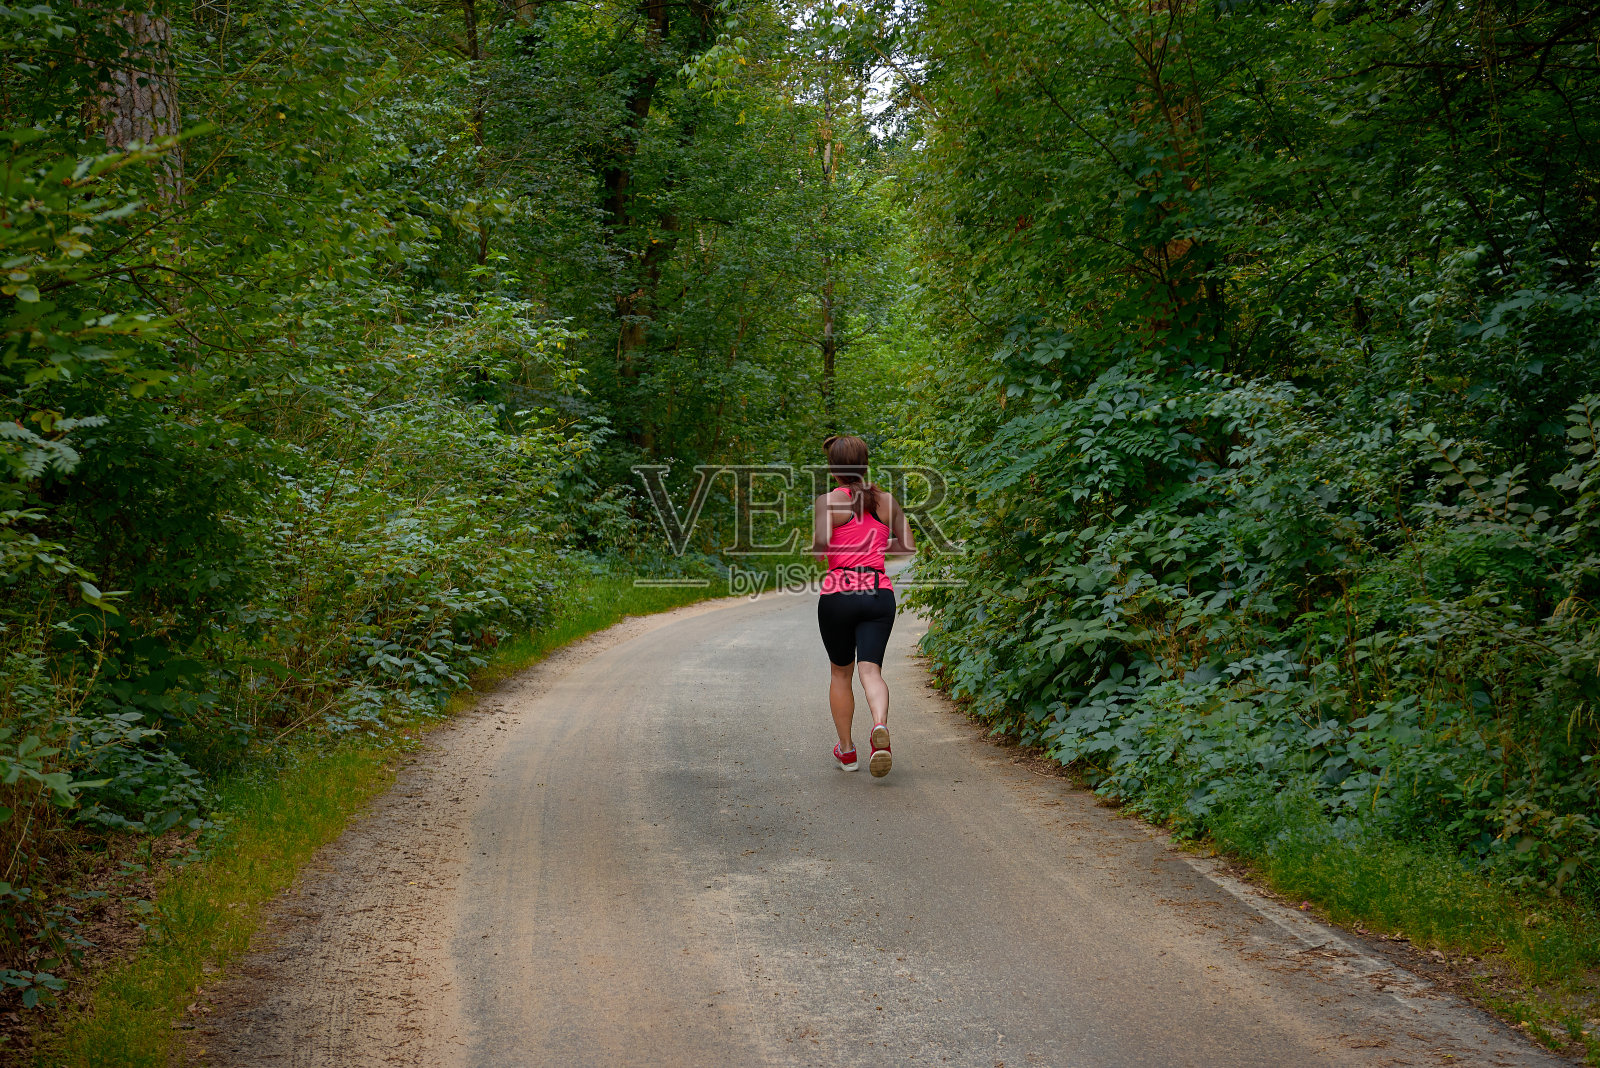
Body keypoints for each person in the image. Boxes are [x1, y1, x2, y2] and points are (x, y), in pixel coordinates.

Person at [811, 435, 915, 777]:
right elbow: (908, 547)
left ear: (833, 469)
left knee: (841, 673)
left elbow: (820, 548)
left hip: (839, 593)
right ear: (865, 463)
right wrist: (875, 550)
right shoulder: (885, 501)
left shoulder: (828, 502)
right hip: (876, 591)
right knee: (870, 671)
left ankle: (847, 753)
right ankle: (878, 726)